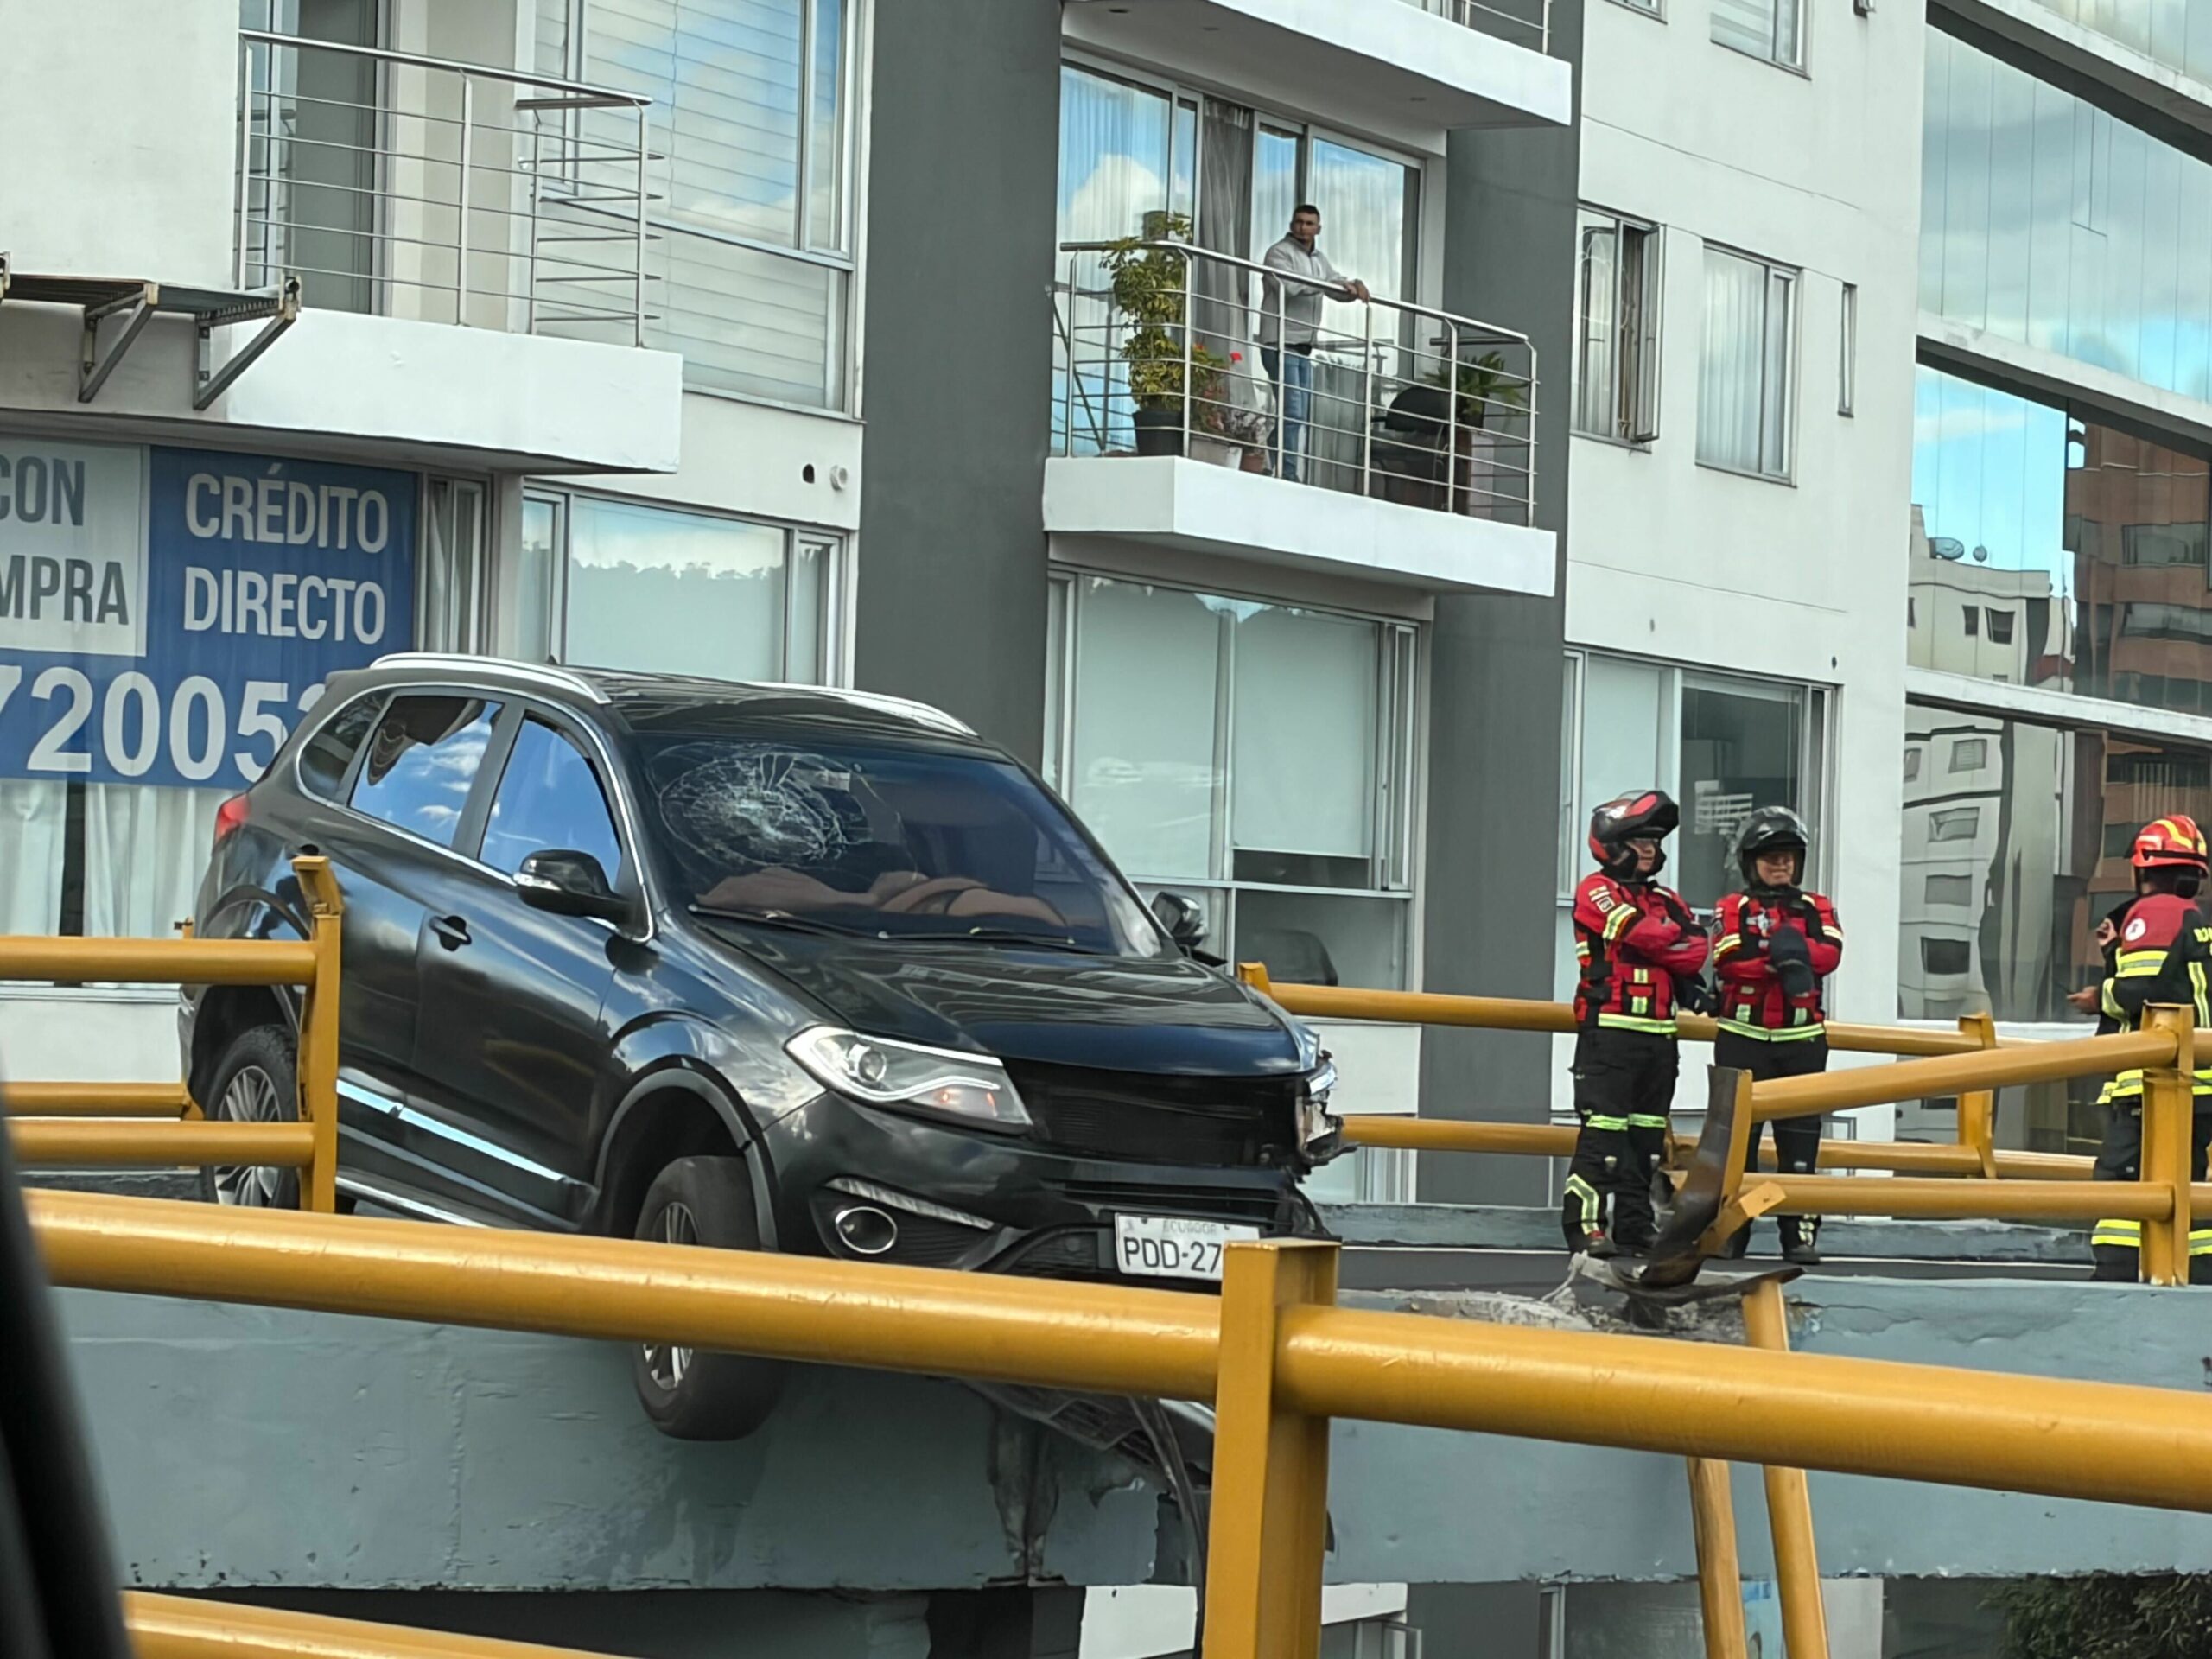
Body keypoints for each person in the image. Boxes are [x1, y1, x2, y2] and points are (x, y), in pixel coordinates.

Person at [1562, 791, 1709, 1257]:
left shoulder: (1667, 897)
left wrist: (1670, 945)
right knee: (1604, 1133)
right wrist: (1670, 943)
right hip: (1610, 1033)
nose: (1649, 848)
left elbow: (1697, 949)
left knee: (1646, 1139)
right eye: (1639, 839)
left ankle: (1634, 1226)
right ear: (1612, 843)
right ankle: (1585, 1225)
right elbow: (1645, 934)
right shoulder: (1595, 889)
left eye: (1654, 839)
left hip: (1661, 1038)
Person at [2066, 815, 2212, 1283]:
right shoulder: (2196, 919)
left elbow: (2143, 991)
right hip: (2196, 1080)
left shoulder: (2157, 912)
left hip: (2154, 1084)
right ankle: (2195, 1274)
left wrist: (2098, 997)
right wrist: (2115, 958)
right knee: (2183, 1183)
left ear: (2144, 869)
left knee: (2121, 1183)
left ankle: (2115, 1275)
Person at [1711, 807, 1843, 1266]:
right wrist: (1784, 957)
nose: (1780, 865)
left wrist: (1782, 949)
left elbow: (1829, 955)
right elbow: (1729, 958)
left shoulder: (1817, 907)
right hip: (1741, 1038)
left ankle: (1799, 1236)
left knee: (1800, 1144)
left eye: (1788, 857)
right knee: (1735, 1148)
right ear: (1751, 862)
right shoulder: (1733, 908)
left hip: (1802, 1040)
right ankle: (1730, 1231)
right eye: (1770, 857)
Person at [1257, 205, 1370, 485]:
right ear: (1291, 224)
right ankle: (1288, 474)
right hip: (1279, 343)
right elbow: (1292, 286)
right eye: (1298, 222)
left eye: (1309, 223)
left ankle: (1271, 457)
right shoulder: (1278, 253)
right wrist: (1332, 284)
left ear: (1318, 228)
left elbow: (1332, 286)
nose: (1303, 227)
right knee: (1293, 412)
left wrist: (1354, 288)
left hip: (1303, 348)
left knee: (1299, 414)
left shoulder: (1318, 258)